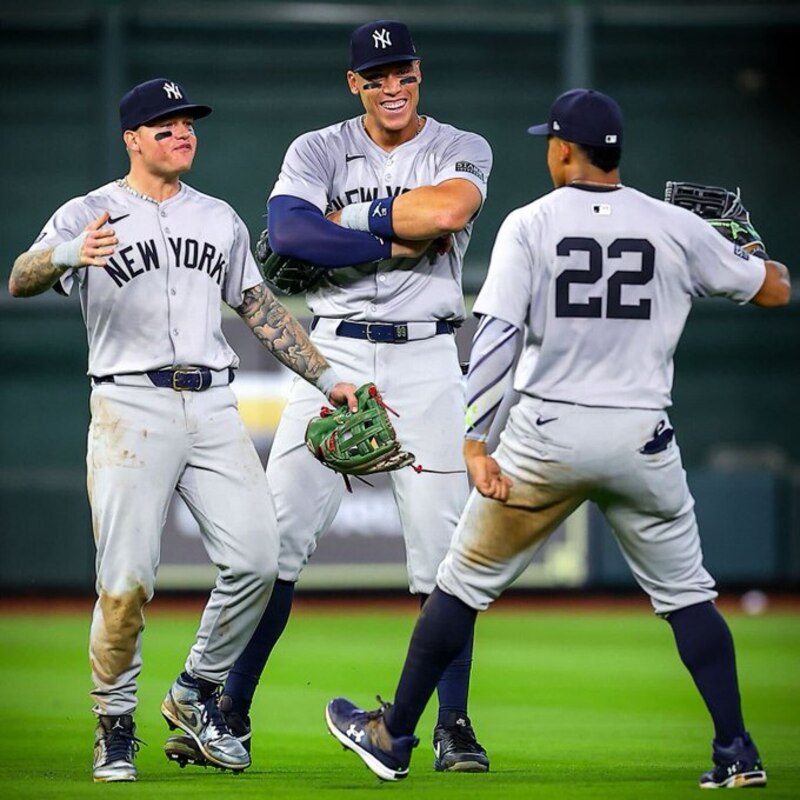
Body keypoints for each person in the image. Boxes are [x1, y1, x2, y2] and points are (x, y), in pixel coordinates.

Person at [324, 88, 791, 786]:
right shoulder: (673, 226)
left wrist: (475, 443)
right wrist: (747, 251)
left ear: (564, 149)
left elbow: (498, 338)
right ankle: (736, 752)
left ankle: (394, 736)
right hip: (642, 438)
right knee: (689, 597)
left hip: (548, 435)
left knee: (458, 587)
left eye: (551, 140)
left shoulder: (530, 224)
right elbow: (777, 290)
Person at [8, 77, 357, 783]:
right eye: (164, 125)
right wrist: (66, 254)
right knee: (126, 583)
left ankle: (193, 691)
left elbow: (259, 308)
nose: (181, 133)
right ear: (132, 138)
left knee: (259, 559)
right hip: (128, 408)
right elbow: (19, 277)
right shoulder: (88, 211)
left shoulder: (218, 218)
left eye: (188, 123)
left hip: (212, 406)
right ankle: (113, 725)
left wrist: (327, 378)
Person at [172, 19, 493, 774]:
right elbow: (288, 234)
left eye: (403, 71)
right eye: (376, 75)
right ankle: (232, 713)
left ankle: (454, 727)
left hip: (427, 353)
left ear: (419, 74)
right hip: (336, 353)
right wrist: (389, 236)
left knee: (444, 558)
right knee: (274, 541)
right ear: (354, 83)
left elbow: (447, 212)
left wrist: (343, 221)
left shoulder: (460, 145)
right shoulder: (316, 148)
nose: (392, 86)